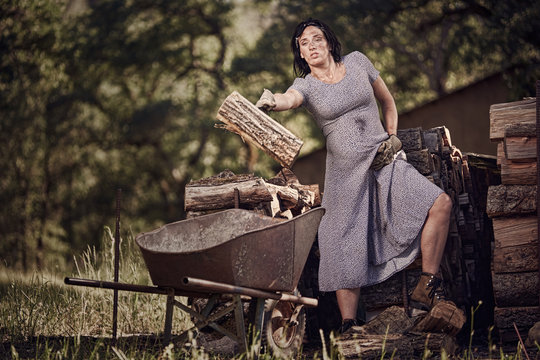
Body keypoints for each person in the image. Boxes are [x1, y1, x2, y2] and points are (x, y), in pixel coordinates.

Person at [256, 18, 456, 334]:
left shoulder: (358, 61)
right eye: (304, 43)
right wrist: (272, 100)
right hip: (344, 176)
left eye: (316, 38)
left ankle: (427, 285)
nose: (311, 45)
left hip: (383, 161)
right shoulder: (306, 85)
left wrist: (392, 137)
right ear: (302, 55)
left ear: (330, 42)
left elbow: (388, 101)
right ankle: (350, 325)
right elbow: (288, 99)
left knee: (440, 203)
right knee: (339, 239)